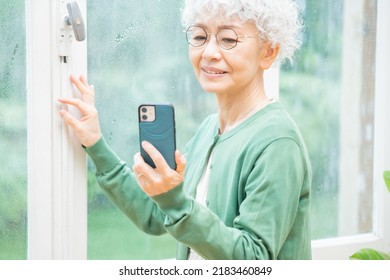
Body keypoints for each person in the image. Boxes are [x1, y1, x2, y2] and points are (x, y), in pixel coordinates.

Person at [59, 0, 312, 260]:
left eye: (228, 39)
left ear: (268, 52)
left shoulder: (277, 142)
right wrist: (95, 143)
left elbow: (253, 260)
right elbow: (157, 213)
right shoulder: (209, 130)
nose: (209, 52)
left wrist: (175, 202)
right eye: (200, 36)